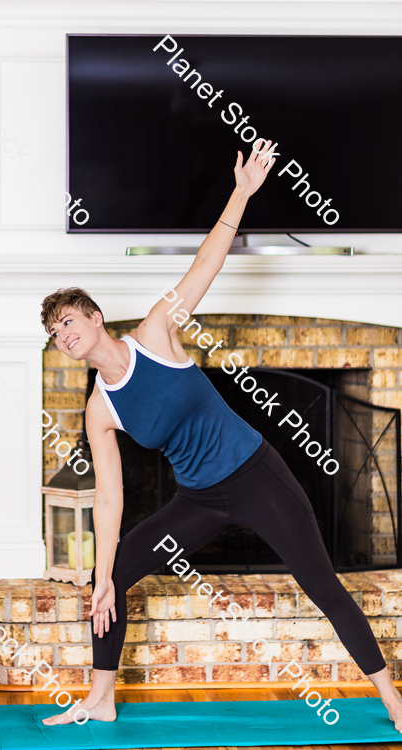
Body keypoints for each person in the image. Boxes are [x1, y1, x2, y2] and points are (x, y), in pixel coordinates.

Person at [40, 142, 402, 731]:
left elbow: (206, 263)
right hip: (199, 499)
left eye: (69, 322)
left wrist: (242, 192)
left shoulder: (157, 332)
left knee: (322, 585)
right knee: (113, 575)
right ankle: (99, 699)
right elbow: (109, 498)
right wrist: (102, 574)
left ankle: (391, 695)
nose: (64, 335)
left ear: (96, 317)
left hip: (256, 475)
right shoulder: (98, 408)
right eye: (55, 333)